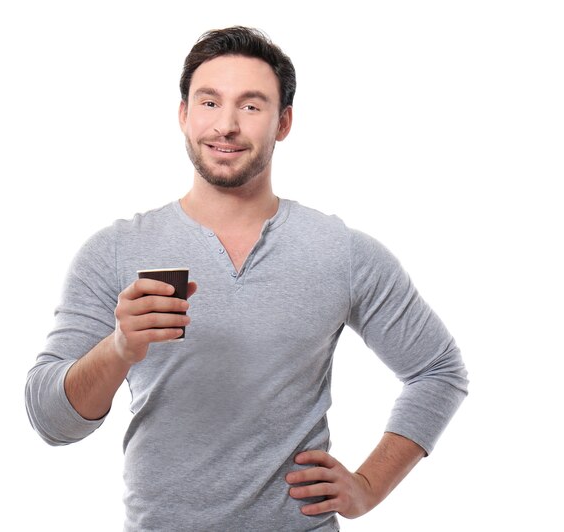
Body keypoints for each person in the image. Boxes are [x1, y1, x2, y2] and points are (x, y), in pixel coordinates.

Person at [25, 26, 468, 531]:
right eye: (209, 103)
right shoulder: (116, 251)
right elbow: (51, 421)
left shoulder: (341, 252)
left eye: (251, 106)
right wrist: (120, 347)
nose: (227, 125)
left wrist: (368, 486)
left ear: (283, 123)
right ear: (183, 115)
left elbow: (438, 371)